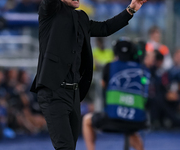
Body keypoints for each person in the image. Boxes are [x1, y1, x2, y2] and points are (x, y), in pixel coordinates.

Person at [30, 0, 148, 149]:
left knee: (70, 146)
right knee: (65, 147)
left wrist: (131, 9)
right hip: (53, 92)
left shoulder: (81, 18)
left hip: (73, 93)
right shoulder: (49, 11)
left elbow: (105, 28)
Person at [82, 38, 151, 150]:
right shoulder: (143, 70)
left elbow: (104, 84)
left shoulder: (109, 66)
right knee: (132, 131)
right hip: (137, 121)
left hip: (112, 118)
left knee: (87, 121)